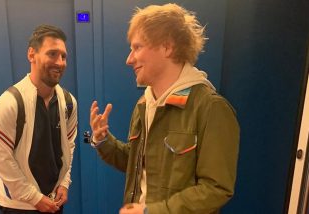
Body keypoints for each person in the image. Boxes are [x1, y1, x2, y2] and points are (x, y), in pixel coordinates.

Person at [90, 3, 240, 214]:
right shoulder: (144, 105)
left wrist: (151, 211)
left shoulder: (211, 108)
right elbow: (137, 164)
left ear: (167, 47)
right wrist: (103, 140)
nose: (129, 59)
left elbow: (216, 189)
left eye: (137, 47)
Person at [0, 24, 78, 213]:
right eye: (52, 54)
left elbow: (68, 146)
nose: (60, 62)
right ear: (32, 55)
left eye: (63, 56)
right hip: (18, 206)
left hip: (53, 202)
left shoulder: (69, 102)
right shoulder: (9, 103)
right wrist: (35, 198)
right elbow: (1, 160)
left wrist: (64, 183)